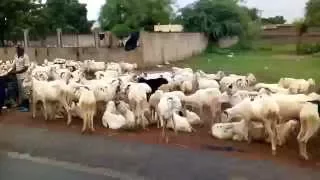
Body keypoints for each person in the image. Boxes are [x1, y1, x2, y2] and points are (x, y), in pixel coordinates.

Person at [13, 44, 30, 112]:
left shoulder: (25, 57)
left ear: (21, 50)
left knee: (25, 92)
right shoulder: (15, 55)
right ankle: (23, 105)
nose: (16, 50)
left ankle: (27, 107)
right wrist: (10, 70)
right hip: (18, 77)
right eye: (16, 49)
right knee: (20, 92)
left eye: (18, 49)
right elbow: (14, 65)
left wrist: (16, 72)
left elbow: (26, 68)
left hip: (24, 77)